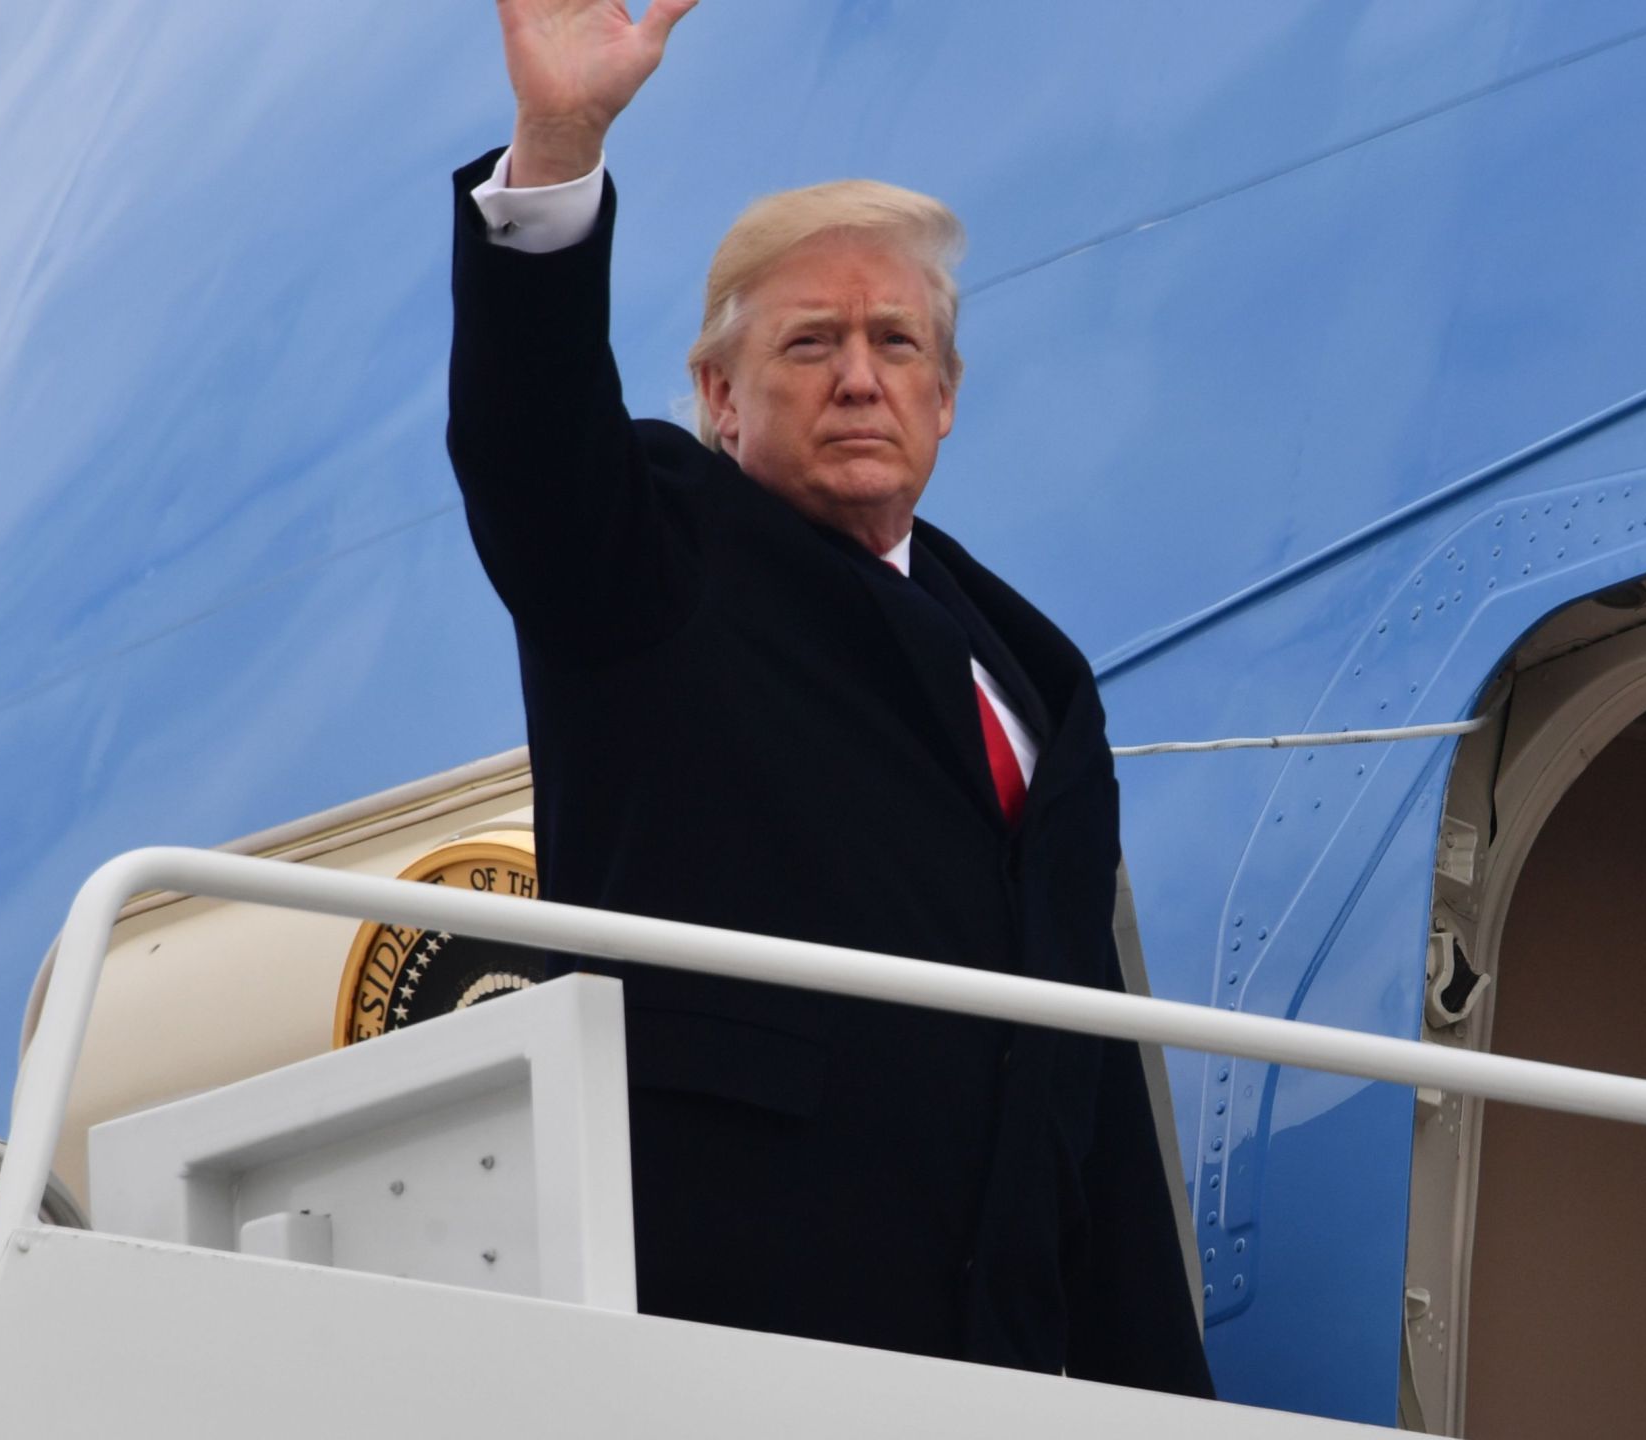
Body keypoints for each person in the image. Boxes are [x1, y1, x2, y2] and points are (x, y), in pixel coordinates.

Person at [444, 0, 1212, 1396]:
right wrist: (559, 144)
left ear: (949, 397)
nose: (862, 376)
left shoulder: (1033, 671)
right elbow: (528, 445)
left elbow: (1085, 1072)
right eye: (810, 345)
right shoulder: (657, 555)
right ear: (718, 395)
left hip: (1008, 1347)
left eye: (897, 344)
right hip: (735, 1317)